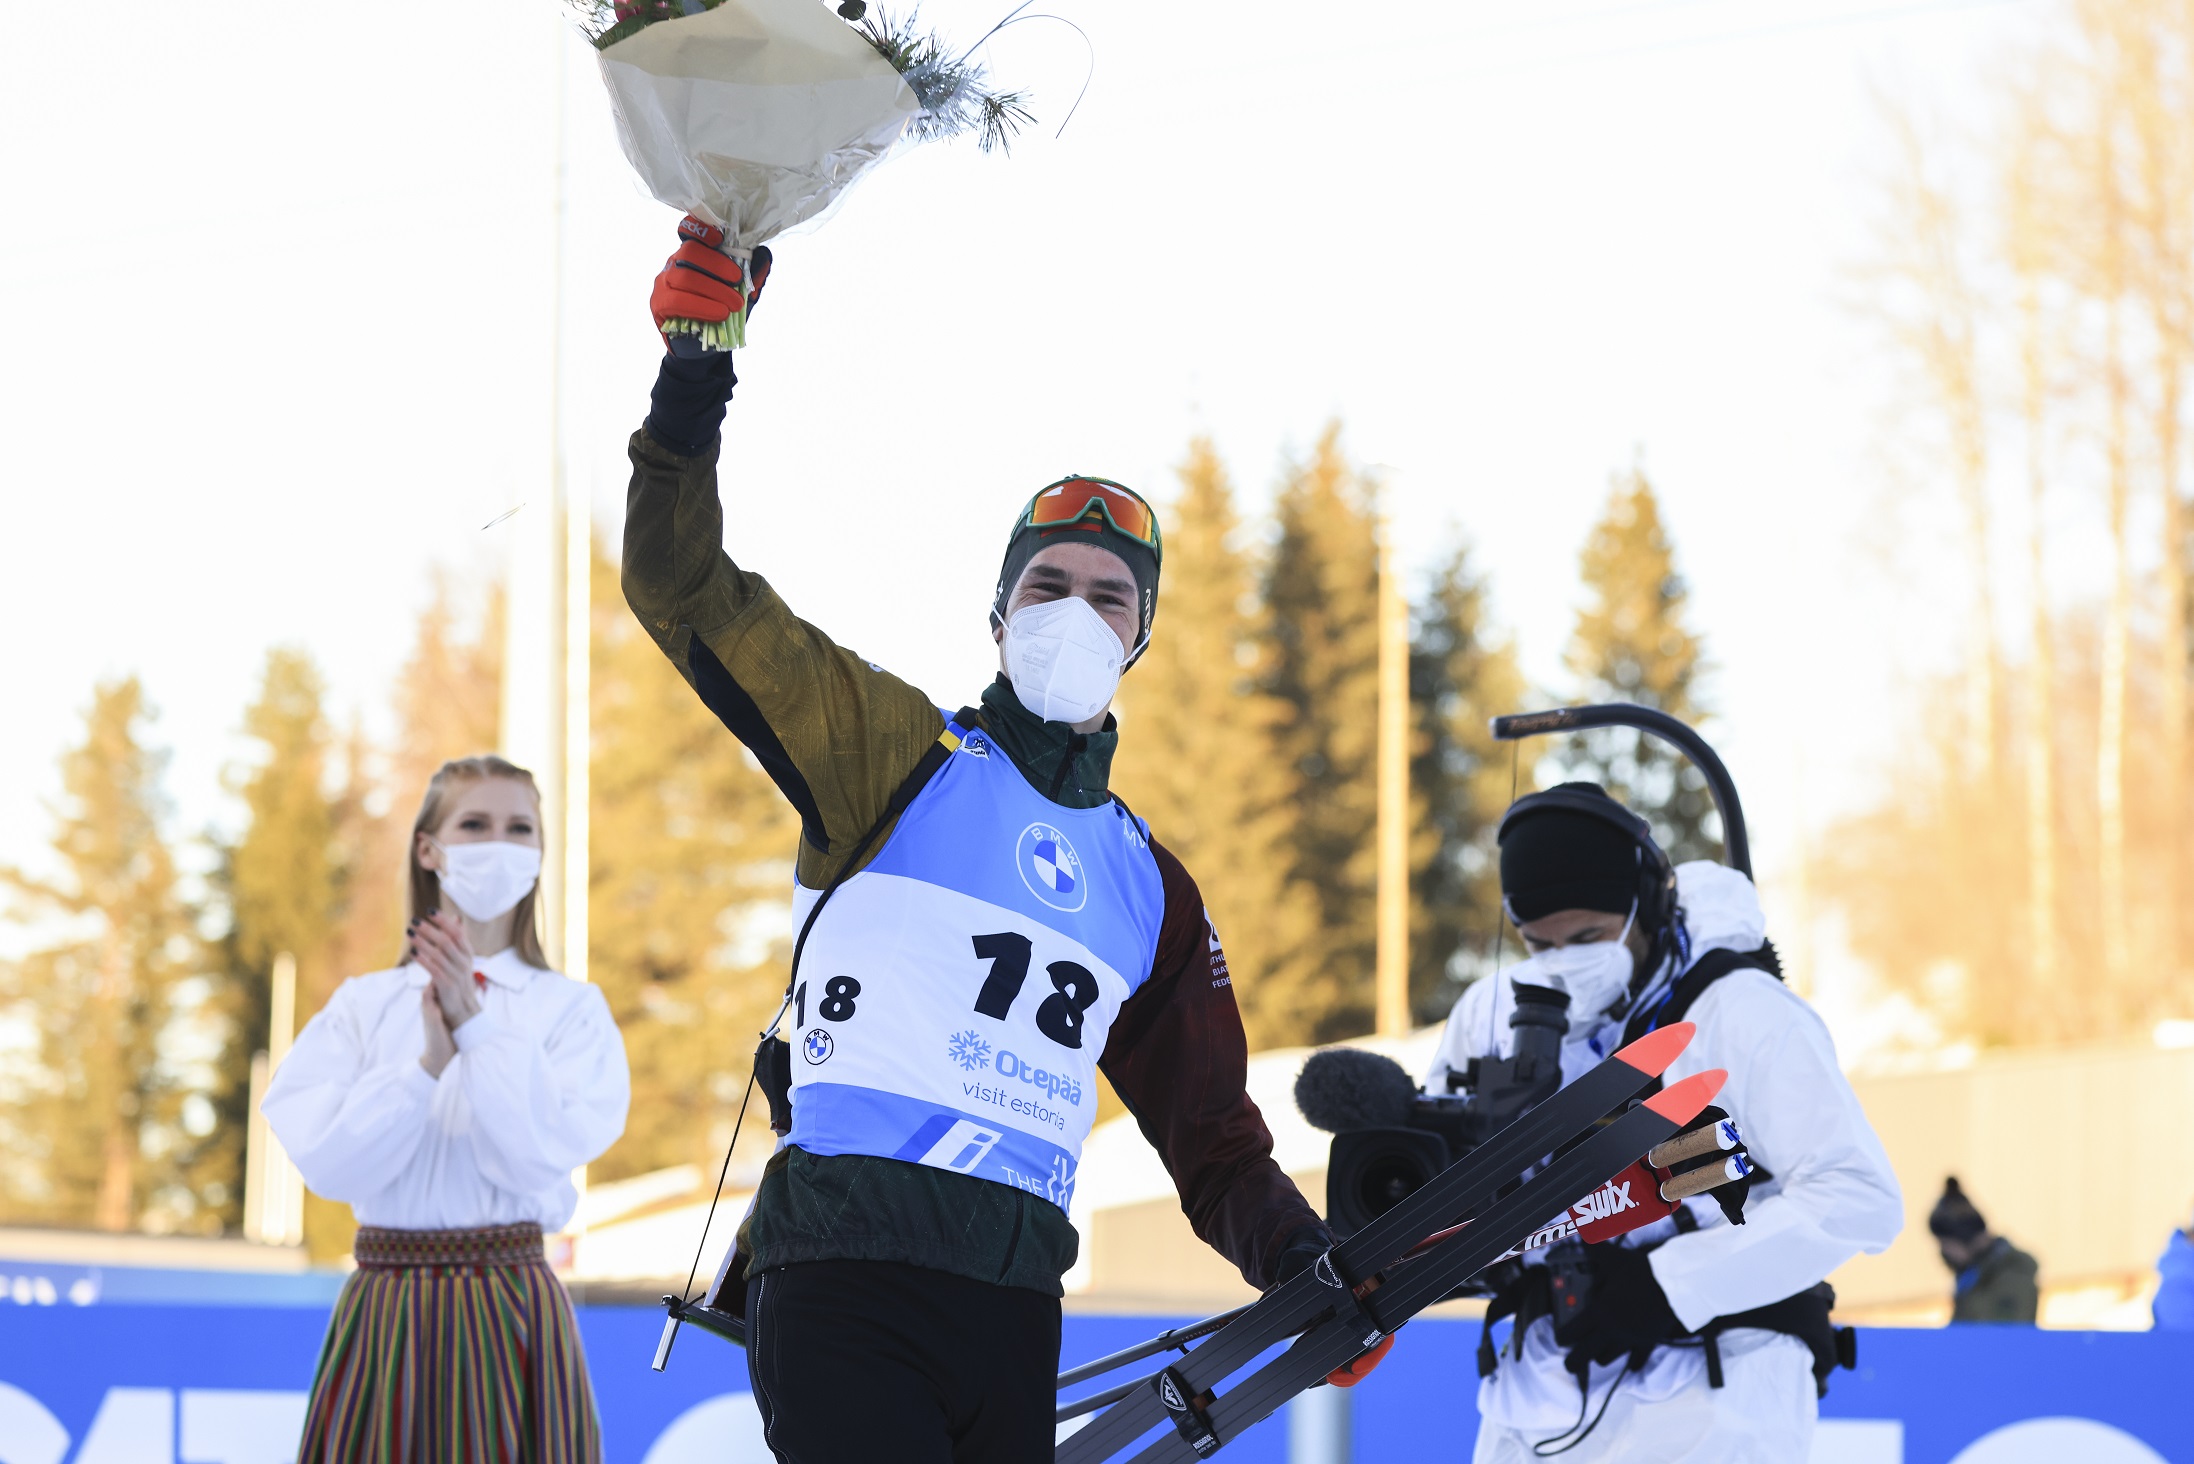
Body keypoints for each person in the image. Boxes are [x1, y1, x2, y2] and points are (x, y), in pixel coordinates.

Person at [622, 226, 1353, 1463]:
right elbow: (681, 588)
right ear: (1000, 611)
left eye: (1108, 596)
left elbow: (1211, 1135)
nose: (1074, 612)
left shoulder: (1147, 889)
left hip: (1014, 1307)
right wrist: (695, 377)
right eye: (1046, 587)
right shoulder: (892, 756)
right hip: (843, 1276)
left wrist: (1302, 1259)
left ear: (1141, 640)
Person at [1428, 782, 1902, 1463]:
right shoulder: (1490, 1013)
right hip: (1538, 1393)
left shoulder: (1740, 1014)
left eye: (1588, 936)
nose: (1565, 961)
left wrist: (1673, 1284)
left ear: (1645, 906)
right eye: (1540, 944)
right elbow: (1433, 1175)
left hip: (1721, 1387)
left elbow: (1858, 1196)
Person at [264, 756, 631, 1463]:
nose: (500, 842)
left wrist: (477, 1025)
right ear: (429, 849)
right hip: (387, 1306)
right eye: (475, 824)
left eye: (519, 827)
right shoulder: (365, 1007)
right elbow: (333, 1166)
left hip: (509, 1302)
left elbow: (538, 1153)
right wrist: (428, 1064)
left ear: (539, 853)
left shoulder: (571, 1011)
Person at [1930, 1177, 2038, 1323]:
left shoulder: (2011, 1278)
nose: (1943, 1255)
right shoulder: (1975, 1277)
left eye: (1946, 1247)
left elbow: (2001, 1338)